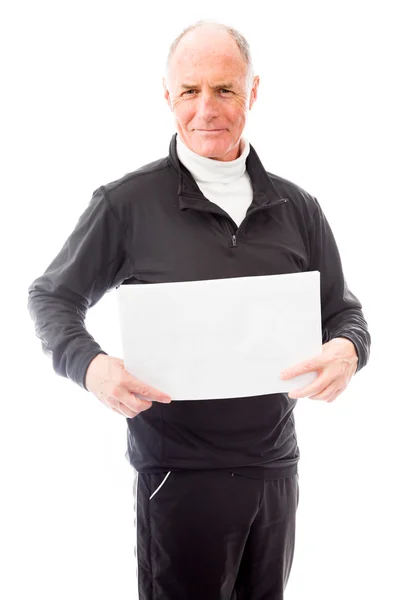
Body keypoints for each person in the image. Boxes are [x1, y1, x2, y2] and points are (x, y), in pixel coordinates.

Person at [27, 19, 371, 600]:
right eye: (190, 90)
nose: (206, 108)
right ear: (168, 96)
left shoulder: (298, 207)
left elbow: (344, 315)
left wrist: (349, 350)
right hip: (177, 476)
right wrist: (90, 365)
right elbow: (51, 297)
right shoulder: (125, 205)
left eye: (225, 89)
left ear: (253, 92)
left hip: (274, 471)